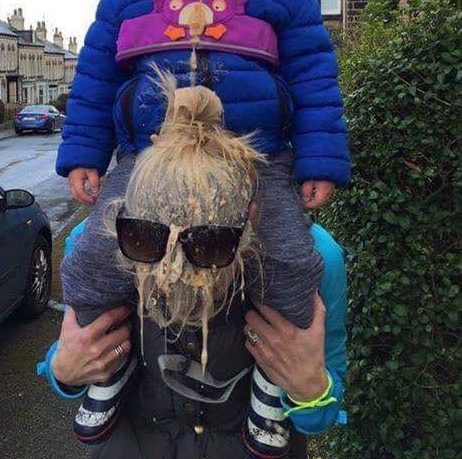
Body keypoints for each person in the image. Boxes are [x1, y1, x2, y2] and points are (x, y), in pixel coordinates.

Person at [55, 0, 350, 444]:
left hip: (256, 165)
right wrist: (84, 154)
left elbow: (316, 83)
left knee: (294, 263)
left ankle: (275, 389)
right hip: (145, 167)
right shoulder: (126, 1)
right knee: (88, 259)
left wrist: (321, 161)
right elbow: (95, 83)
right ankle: (104, 368)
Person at [39, 82, 347, 458]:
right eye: (147, 239)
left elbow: (325, 407)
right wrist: (64, 372)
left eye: (209, 244)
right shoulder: (98, 246)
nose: (173, 268)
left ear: (250, 214)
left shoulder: (317, 259)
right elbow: (69, 353)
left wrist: (312, 390)